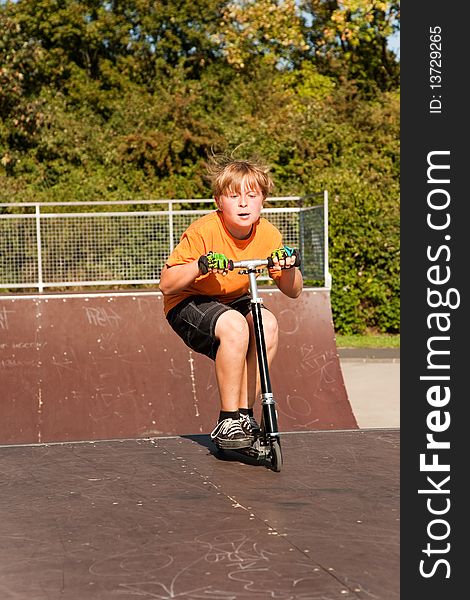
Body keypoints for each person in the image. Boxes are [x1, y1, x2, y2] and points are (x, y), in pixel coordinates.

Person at [159, 155, 303, 450]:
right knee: (236, 325)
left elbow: (294, 291)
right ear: (218, 201)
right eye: (234, 196)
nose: (243, 203)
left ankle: (244, 416)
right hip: (188, 301)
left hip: (233, 301)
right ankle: (227, 420)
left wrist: (288, 267)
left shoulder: (268, 234)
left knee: (267, 324)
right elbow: (166, 284)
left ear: (263, 201)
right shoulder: (204, 231)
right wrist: (201, 265)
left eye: (252, 196)